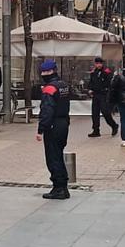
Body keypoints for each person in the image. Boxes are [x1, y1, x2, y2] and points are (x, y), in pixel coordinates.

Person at [35, 59, 72, 199]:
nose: (43, 74)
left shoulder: (49, 88)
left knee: (53, 157)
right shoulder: (63, 85)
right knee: (59, 154)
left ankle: (59, 188)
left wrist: (41, 129)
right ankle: (63, 186)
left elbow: (47, 110)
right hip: (64, 123)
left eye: (45, 72)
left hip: (53, 125)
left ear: (51, 71)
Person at [87, 57, 119, 138]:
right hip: (95, 94)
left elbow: (109, 83)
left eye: (100, 63)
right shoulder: (94, 72)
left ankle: (114, 125)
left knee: (105, 112)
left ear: (102, 63)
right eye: (97, 63)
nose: (98, 65)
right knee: (95, 113)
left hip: (103, 94)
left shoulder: (106, 72)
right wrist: (90, 89)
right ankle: (96, 130)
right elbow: (91, 82)